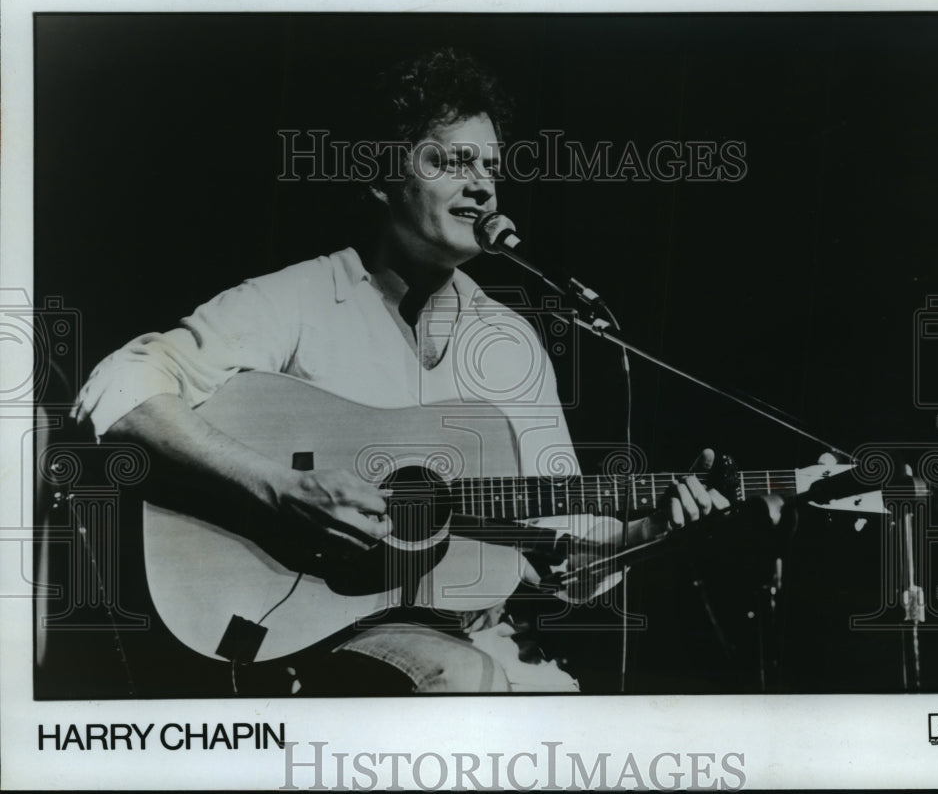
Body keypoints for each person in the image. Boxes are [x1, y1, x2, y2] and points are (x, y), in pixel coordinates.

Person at [72, 47, 729, 694]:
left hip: (471, 637)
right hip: (305, 629)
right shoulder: (298, 299)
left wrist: (653, 529)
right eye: (452, 160)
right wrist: (280, 488)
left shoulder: (511, 342)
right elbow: (116, 388)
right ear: (382, 178)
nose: (482, 184)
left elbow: (558, 556)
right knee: (469, 680)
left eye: (492, 167)